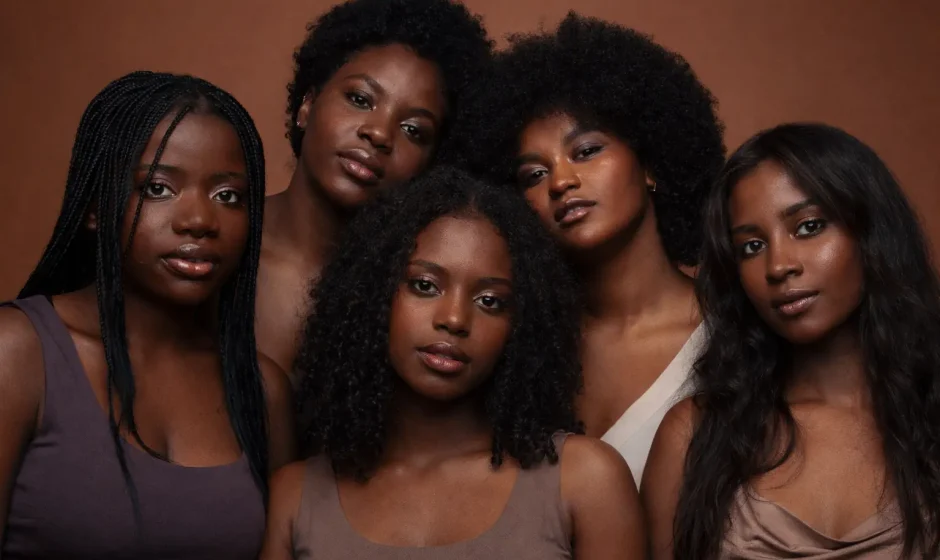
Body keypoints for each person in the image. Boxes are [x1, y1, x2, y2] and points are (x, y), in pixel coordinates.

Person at [260, 166, 647, 559]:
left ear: (521, 326)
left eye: (490, 301)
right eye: (424, 286)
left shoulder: (585, 482)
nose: (455, 319)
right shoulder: (295, 498)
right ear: (372, 295)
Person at [0, 71, 295, 559]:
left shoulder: (262, 392)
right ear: (95, 205)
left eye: (228, 196)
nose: (199, 220)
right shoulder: (19, 353)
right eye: (158, 188)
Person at [643, 123, 940, 559]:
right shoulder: (694, 434)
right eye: (752, 246)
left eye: (808, 227)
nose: (779, 265)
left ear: (870, 233)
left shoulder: (930, 414)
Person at [458, 12, 725, 485]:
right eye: (534, 175)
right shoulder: (517, 343)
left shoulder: (734, 332)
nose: (562, 181)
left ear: (651, 164)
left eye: (585, 152)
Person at [257, 0, 494, 374]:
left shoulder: (417, 296)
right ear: (307, 104)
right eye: (359, 99)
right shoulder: (220, 244)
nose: (379, 133)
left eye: (413, 130)